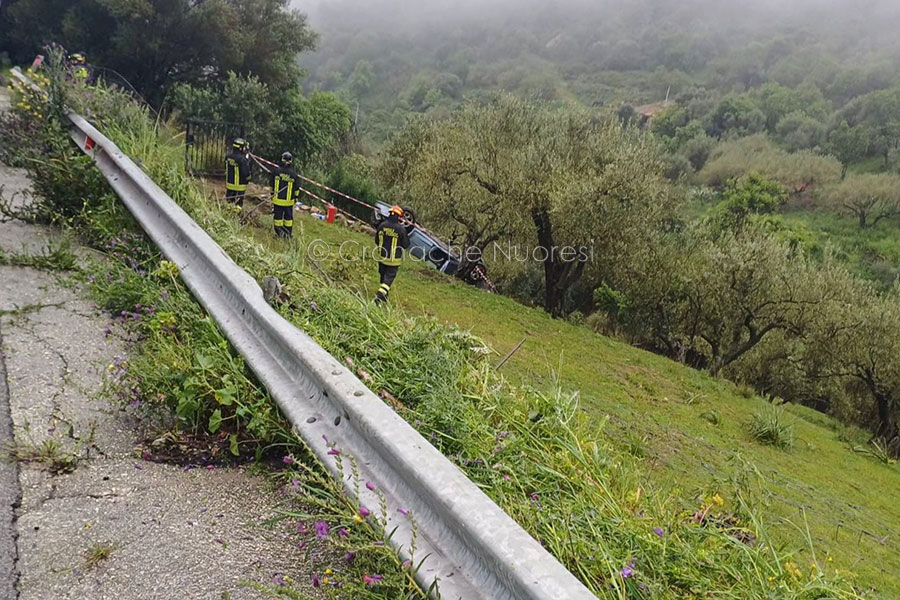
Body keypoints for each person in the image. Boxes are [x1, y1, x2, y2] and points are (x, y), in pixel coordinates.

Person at [374, 205, 410, 304]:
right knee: (388, 280)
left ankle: (384, 296)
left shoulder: (381, 226)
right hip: (394, 261)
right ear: (399, 217)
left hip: (382, 258)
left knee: (383, 277)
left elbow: (377, 241)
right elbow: (406, 245)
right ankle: (379, 296)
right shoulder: (401, 229)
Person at [270, 151, 300, 238]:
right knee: (288, 219)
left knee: (278, 218)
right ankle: (288, 234)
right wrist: (296, 197)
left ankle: (279, 234)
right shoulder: (293, 174)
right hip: (288, 203)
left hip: (277, 201)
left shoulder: (276, 172)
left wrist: (272, 194)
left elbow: (271, 185)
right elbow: (297, 188)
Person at [225, 138, 251, 207]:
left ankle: (228, 214)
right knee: (238, 204)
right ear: (240, 148)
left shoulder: (228, 156)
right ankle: (237, 215)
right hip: (239, 186)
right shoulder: (242, 159)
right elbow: (245, 172)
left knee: (229, 202)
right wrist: (248, 178)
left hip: (229, 184)